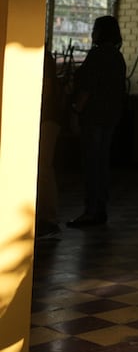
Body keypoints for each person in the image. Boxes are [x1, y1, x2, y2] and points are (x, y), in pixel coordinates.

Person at [67, 15, 127, 227]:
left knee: (92, 164)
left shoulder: (97, 55)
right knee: (101, 164)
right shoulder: (118, 57)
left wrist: (75, 110)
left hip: (93, 117)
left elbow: (86, 88)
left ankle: (91, 210)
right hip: (111, 116)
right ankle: (99, 208)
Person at [36, 48, 63, 238]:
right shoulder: (45, 58)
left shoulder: (42, 59)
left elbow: (46, 89)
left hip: (45, 119)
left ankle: (48, 218)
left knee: (44, 167)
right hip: (47, 118)